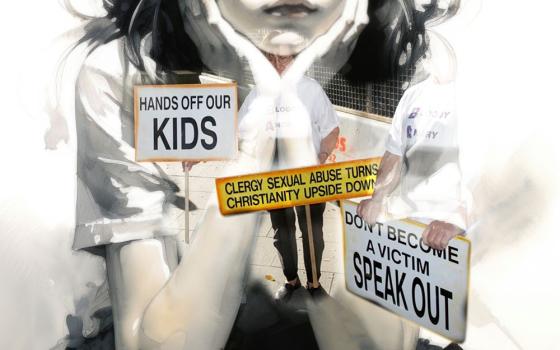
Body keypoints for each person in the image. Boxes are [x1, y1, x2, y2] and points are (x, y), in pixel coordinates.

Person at [52, 0, 456, 348]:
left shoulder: (406, 73)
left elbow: (381, 346)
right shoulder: (127, 73)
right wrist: (253, 150)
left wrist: (298, 120)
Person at [237, 52, 340, 301]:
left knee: (312, 231)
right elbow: (241, 129)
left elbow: (332, 130)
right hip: (274, 177)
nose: (276, 65)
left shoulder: (311, 90)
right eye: (271, 59)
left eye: (283, 59)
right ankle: (290, 281)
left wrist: (322, 156)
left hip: (308, 176)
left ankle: (314, 284)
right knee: (281, 232)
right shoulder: (260, 92)